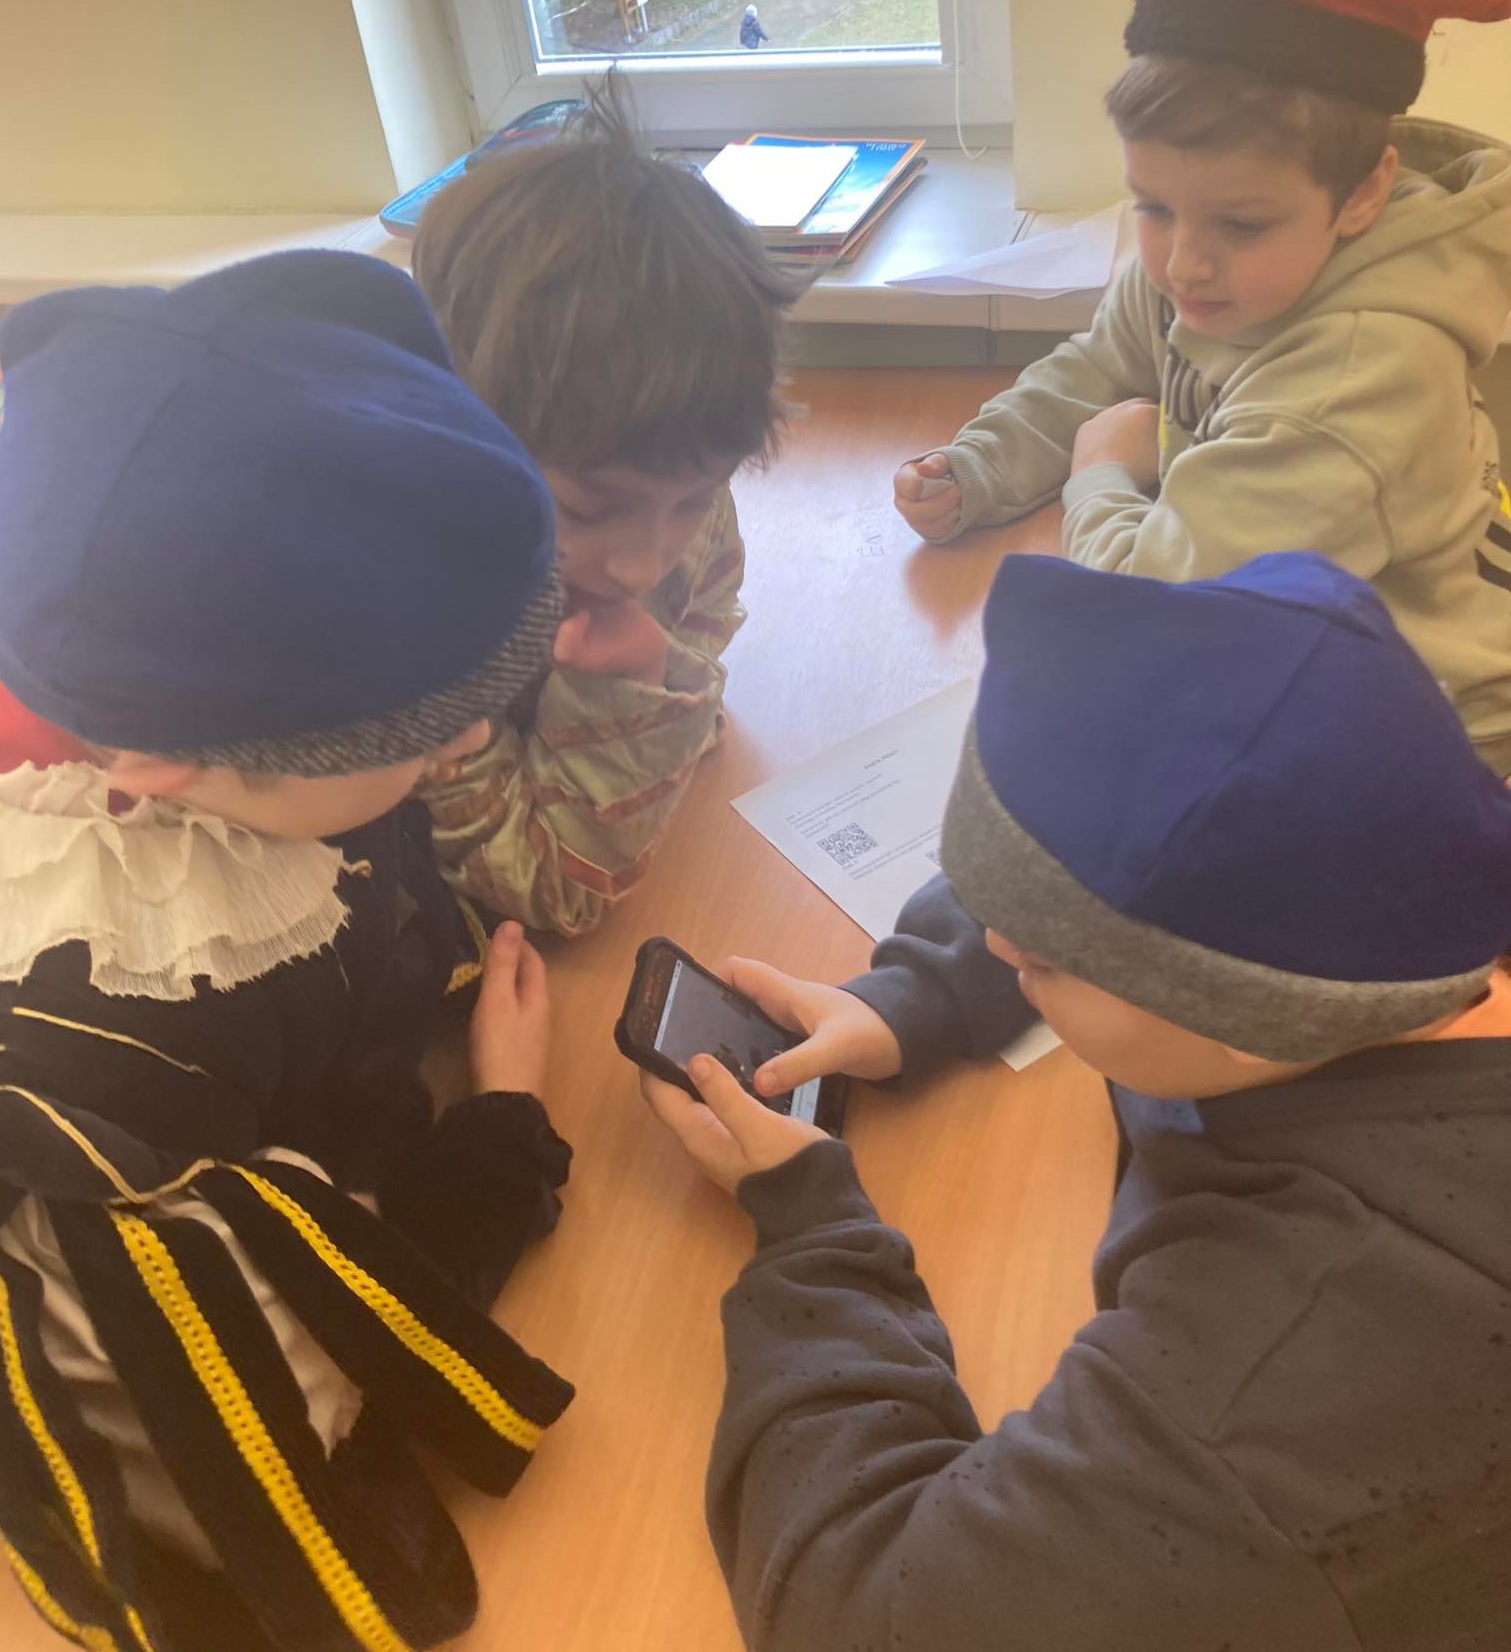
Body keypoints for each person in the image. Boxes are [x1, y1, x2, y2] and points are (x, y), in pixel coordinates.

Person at [644, 548, 1511, 1651]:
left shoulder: (1299, 1364)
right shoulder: (1412, 873)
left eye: (1042, 959)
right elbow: (1134, 842)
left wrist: (814, 1232)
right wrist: (919, 993)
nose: (1000, 944)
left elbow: (868, 1615)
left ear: (1239, 1008)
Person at [0, 253, 576, 1652]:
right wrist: (503, 1128)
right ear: (162, 765)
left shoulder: (214, 727)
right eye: (419, 733)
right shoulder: (119, 1042)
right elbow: (304, 1369)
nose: (467, 742)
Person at [893, 0, 1511, 769]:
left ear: (1365, 192)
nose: (1184, 263)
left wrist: (1098, 476)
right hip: (1286, 657)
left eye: (1242, 224)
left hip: (1437, 744)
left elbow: (1155, 629)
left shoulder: (1358, 382)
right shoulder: (1209, 271)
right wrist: (982, 465)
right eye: (1151, 208)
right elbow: (1097, 371)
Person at [412, 96, 795, 936]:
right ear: (458, 436)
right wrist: (631, 696)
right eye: (585, 509)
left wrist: (652, 685)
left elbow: (701, 701)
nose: (642, 564)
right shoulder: (416, 606)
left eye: (695, 498)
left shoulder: (677, 488)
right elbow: (559, 891)